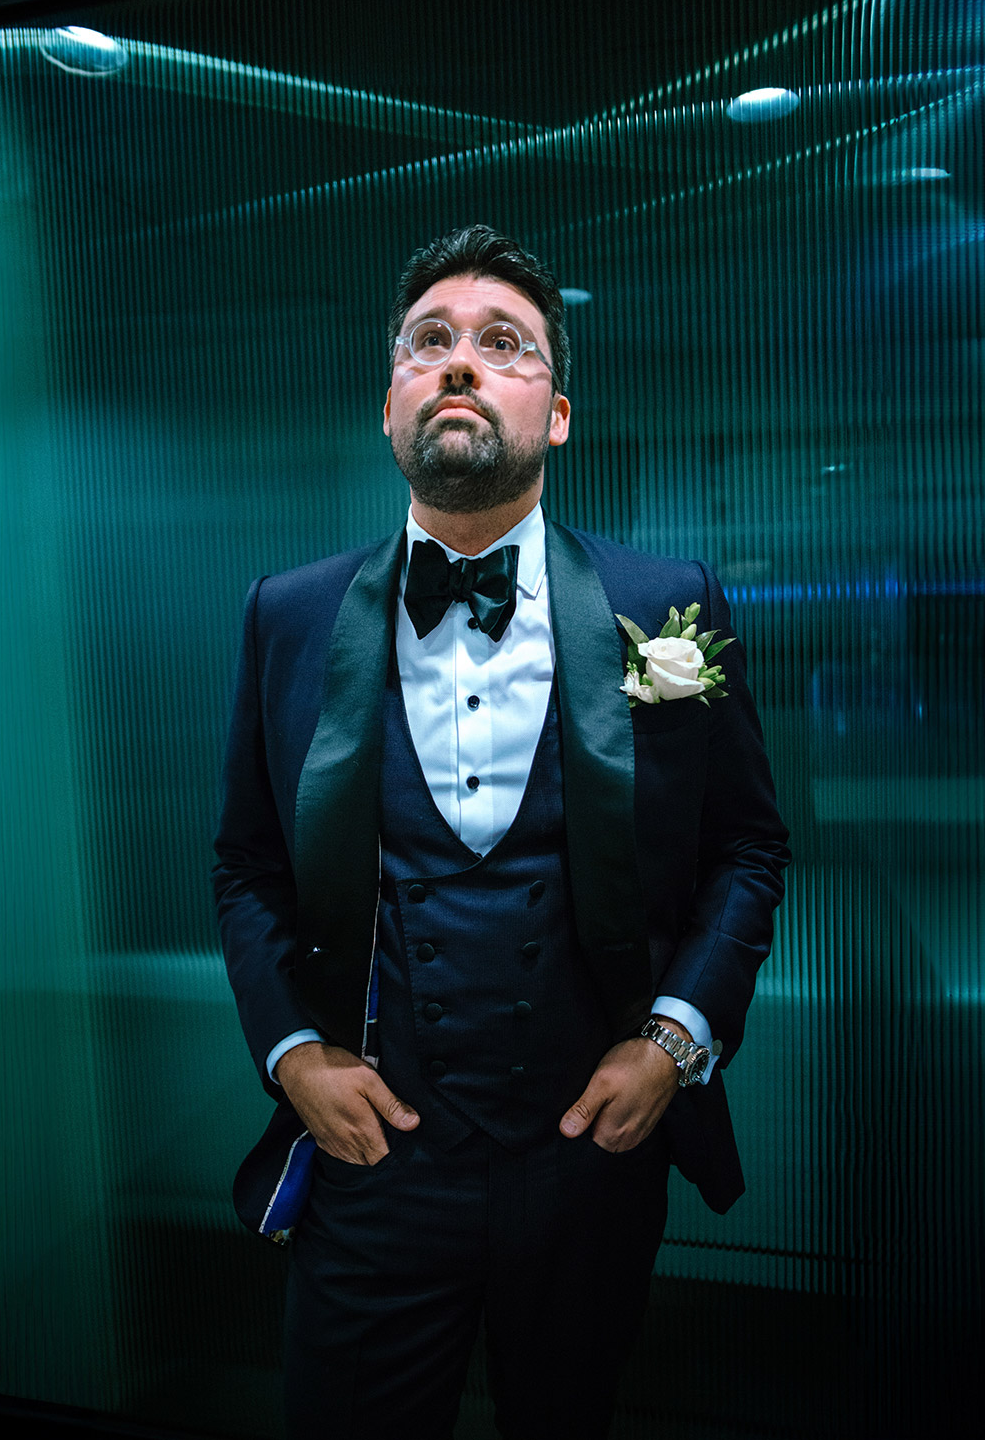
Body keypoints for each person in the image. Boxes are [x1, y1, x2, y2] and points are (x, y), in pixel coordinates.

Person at [212, 224, 790, 1440]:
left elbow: (746, 845)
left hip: (588, 1159)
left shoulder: (660, 604)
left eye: (504, 345)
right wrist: (293, 1053)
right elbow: (247, 866)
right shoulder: (287, 614)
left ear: (560, 413)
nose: (461, 363)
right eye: (432, 342)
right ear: (389, 408)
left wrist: (673, 1040)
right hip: (372, 1172)